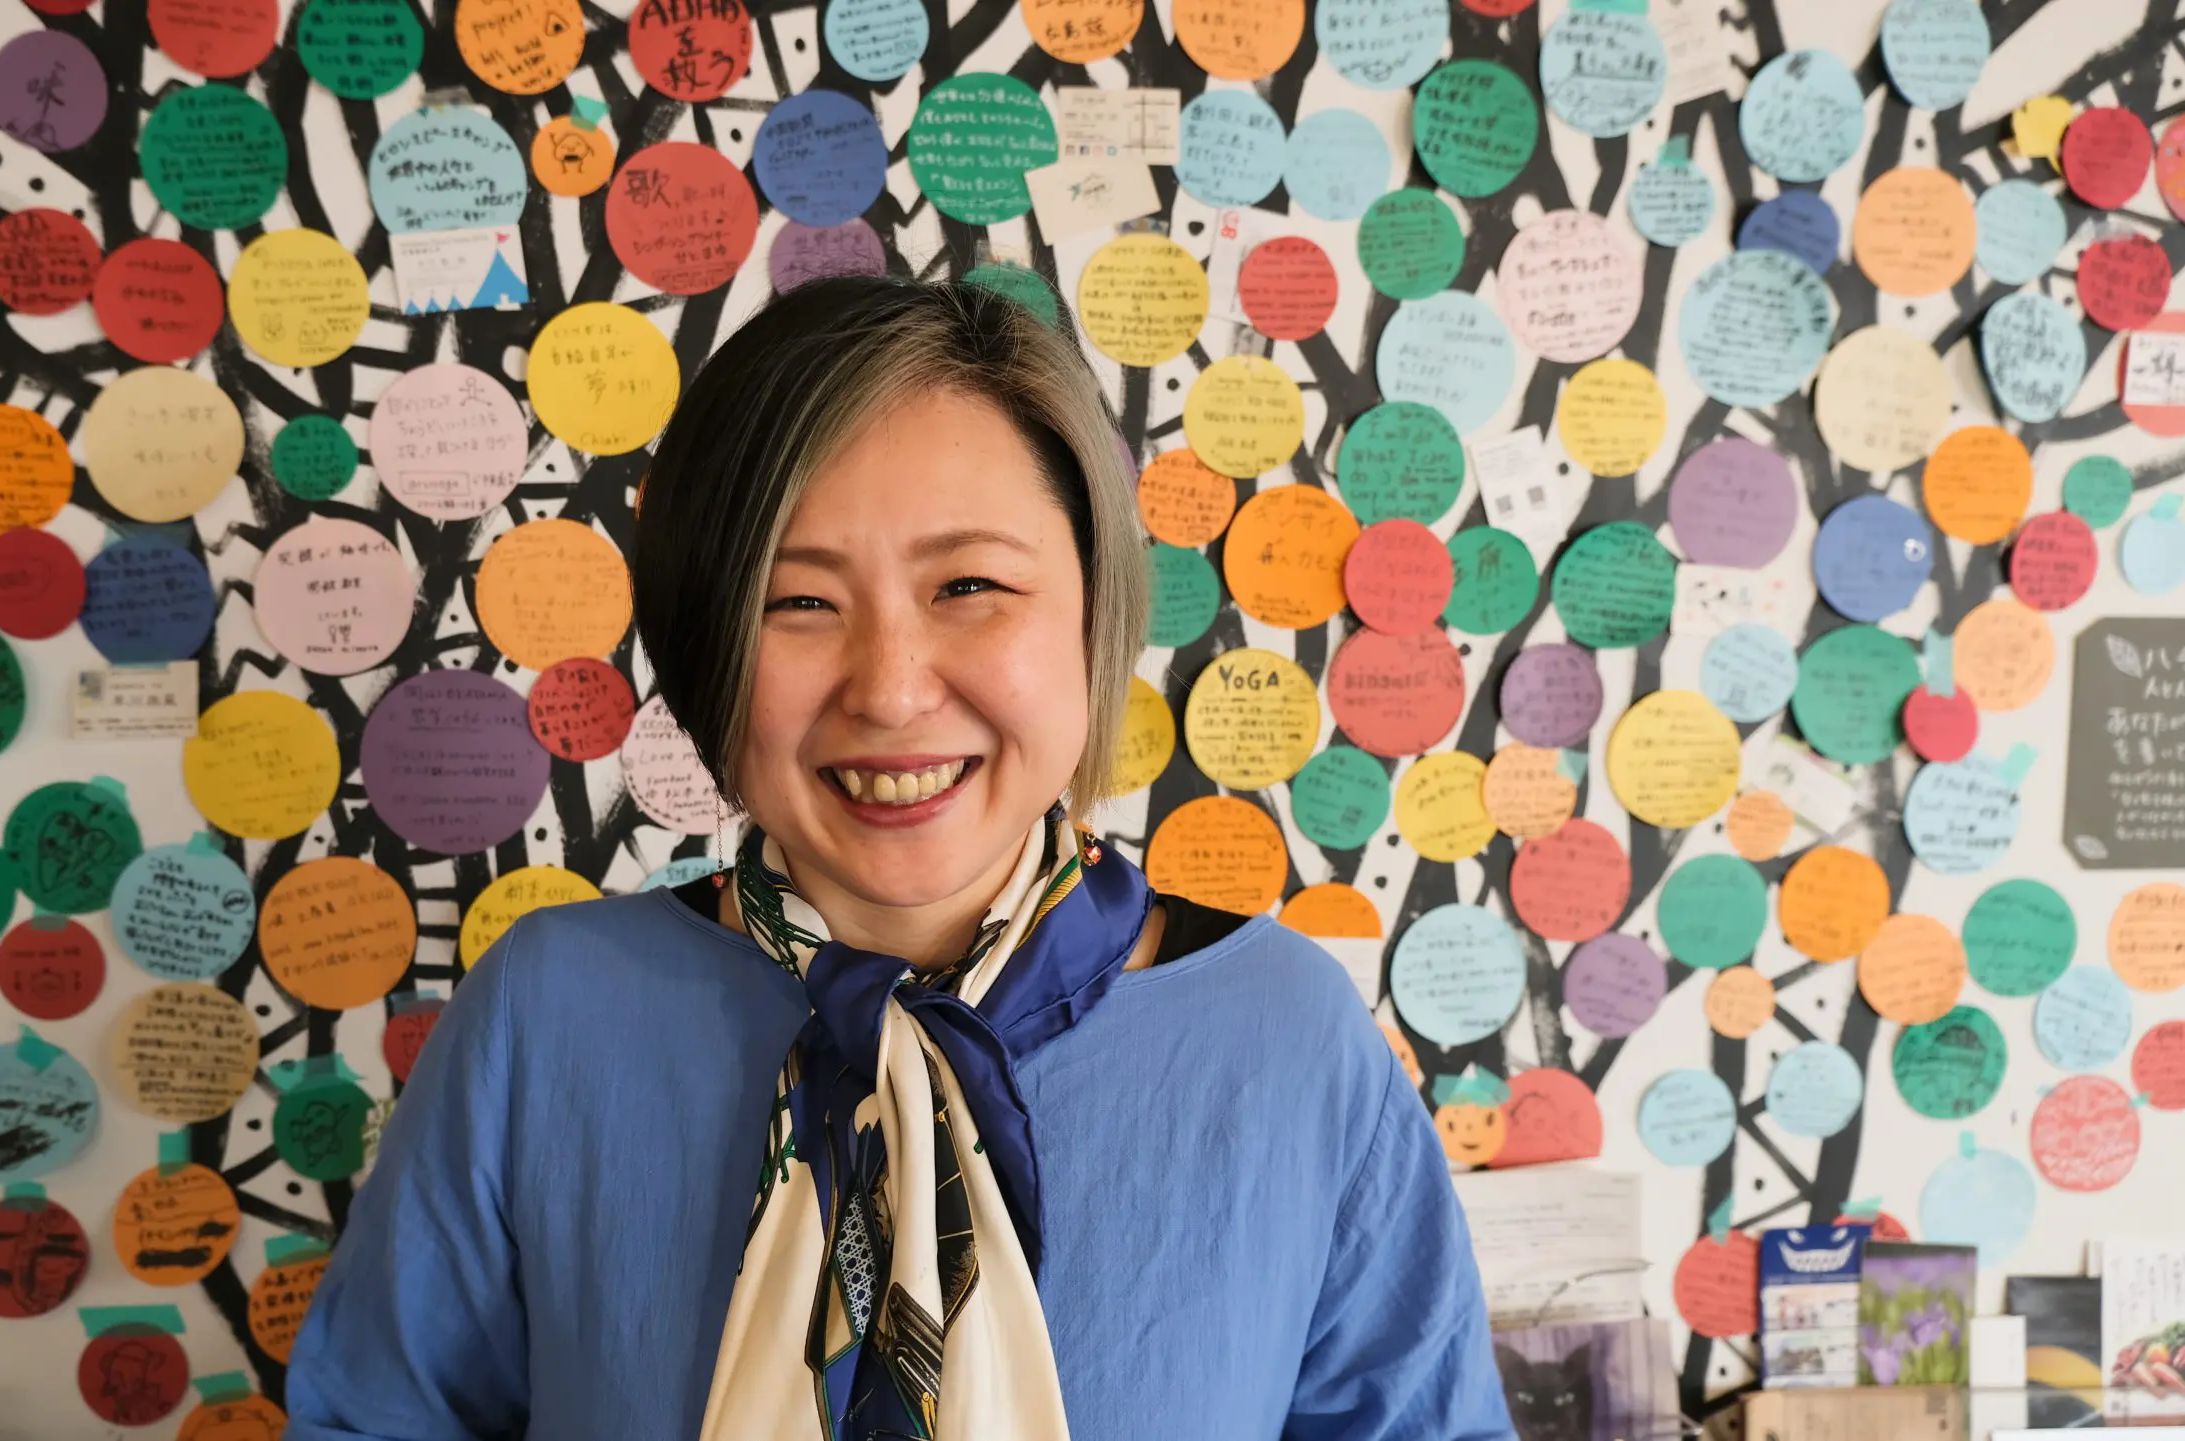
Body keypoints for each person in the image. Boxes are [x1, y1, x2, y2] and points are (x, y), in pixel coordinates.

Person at [284, 277, 1512, 1439]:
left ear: (1092, 614)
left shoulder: (1289, 1038)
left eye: (968, 584)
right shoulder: (546, 1014)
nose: (889, 689)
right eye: (797, 601)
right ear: (708, 648)